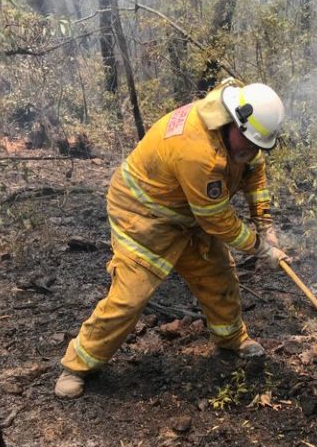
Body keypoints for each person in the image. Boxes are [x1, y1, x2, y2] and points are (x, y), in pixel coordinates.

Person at [54, 78, 289, 398]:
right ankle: (78, 364)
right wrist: (262, 249)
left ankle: (232, 338)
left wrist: (266, 226)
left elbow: (254, 175)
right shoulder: (197, 152)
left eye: (256, 147)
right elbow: (218, 220)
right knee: (130, 297)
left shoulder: (243, 133)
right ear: (234, 120)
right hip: (143, 216)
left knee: (218, 275)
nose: (250, 152)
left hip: (188, 213)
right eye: (247, 145)